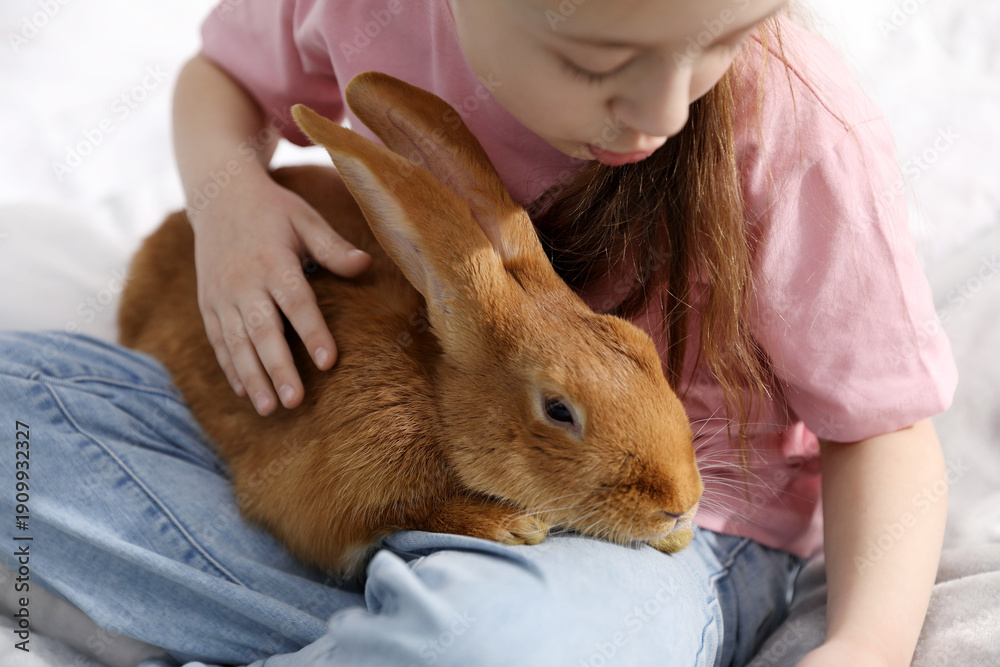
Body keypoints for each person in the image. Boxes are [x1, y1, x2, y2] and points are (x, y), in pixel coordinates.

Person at [0, 0, 958, 665]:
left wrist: (862, 645)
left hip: (675, 525)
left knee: (491, 645)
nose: (667, 110)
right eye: (595, 60)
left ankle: (415, 620)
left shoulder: (800, 130)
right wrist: (230, 203)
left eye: (726, 39)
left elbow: (886, 427)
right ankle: (388, 611)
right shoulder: (378, 15)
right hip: (380, 415)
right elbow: (224, 80)